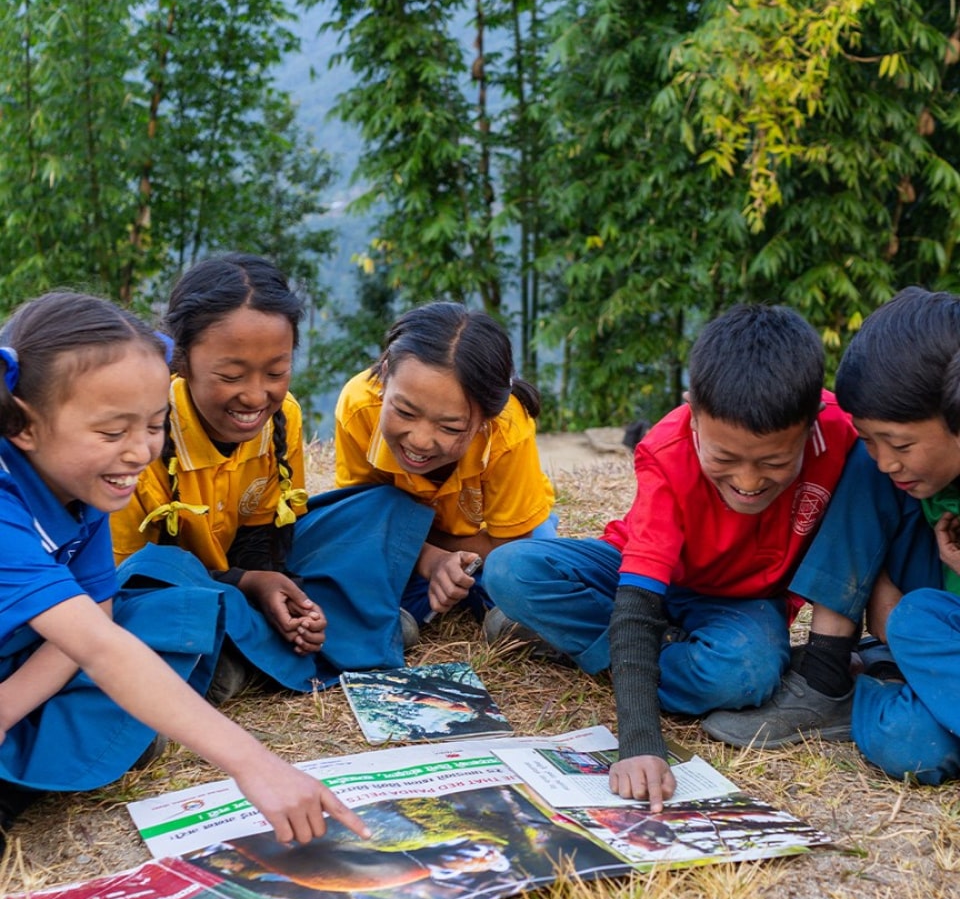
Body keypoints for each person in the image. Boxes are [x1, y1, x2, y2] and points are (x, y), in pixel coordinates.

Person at [0, 290, 368, 848]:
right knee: (126, 658)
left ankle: (56, 744)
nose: (140, 452)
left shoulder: (85, 483)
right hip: (42, 645)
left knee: (154, 619)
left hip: (32, 650)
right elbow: (99, 647)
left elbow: (98, 617)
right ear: (24, 426)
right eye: (111, 432)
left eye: (153, 425)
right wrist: (255, 764)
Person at [482, 304, 857, 810]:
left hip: (740, 601)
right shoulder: (667, 450)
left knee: (743, 673)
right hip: (637, 572)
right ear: (693, 412)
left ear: (811, 423)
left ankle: (583, 646)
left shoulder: (843, 435)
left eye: (773, 462)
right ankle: (637, 651)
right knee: (510, 569)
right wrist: (639, 743)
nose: (747, 482)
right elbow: (637, 602)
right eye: (723, 458)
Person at [111, 254, 433, 694]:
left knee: (381, 506)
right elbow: (130, 578)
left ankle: (261, 643)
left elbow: (267, 539)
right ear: (181, 361)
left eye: (276, 372)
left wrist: (283, 593)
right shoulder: (140, 440)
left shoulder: (284, 418)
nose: (255, 395)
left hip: (241, 578)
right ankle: (339, 630)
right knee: (170, 585)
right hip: (177, 588)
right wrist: (248, 583)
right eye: (231, 375)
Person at [703, 288, 960, 784]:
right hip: (925, 623)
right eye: (870, 437)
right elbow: (897, 618)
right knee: (907, 741)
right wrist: (886, 598)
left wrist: (899, 625)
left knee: (912, 730)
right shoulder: (889, 469)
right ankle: (827, 674)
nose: (888, 459)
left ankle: (882, 673)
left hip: (931, 637)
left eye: (902, 443)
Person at [334, 301, 556, 633]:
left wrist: (406, 538)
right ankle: (440, 600)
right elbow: (359, 521)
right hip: (445, 542)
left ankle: (500, 609)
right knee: (353, 564)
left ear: (487, 419)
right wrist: (431, 558)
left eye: (451, 428)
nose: (421, 441)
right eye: (405, 413)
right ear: (384, 375)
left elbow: (508, 546)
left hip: (496, 538)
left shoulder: (507, 429)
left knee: (521, 567)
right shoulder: (359, 406)